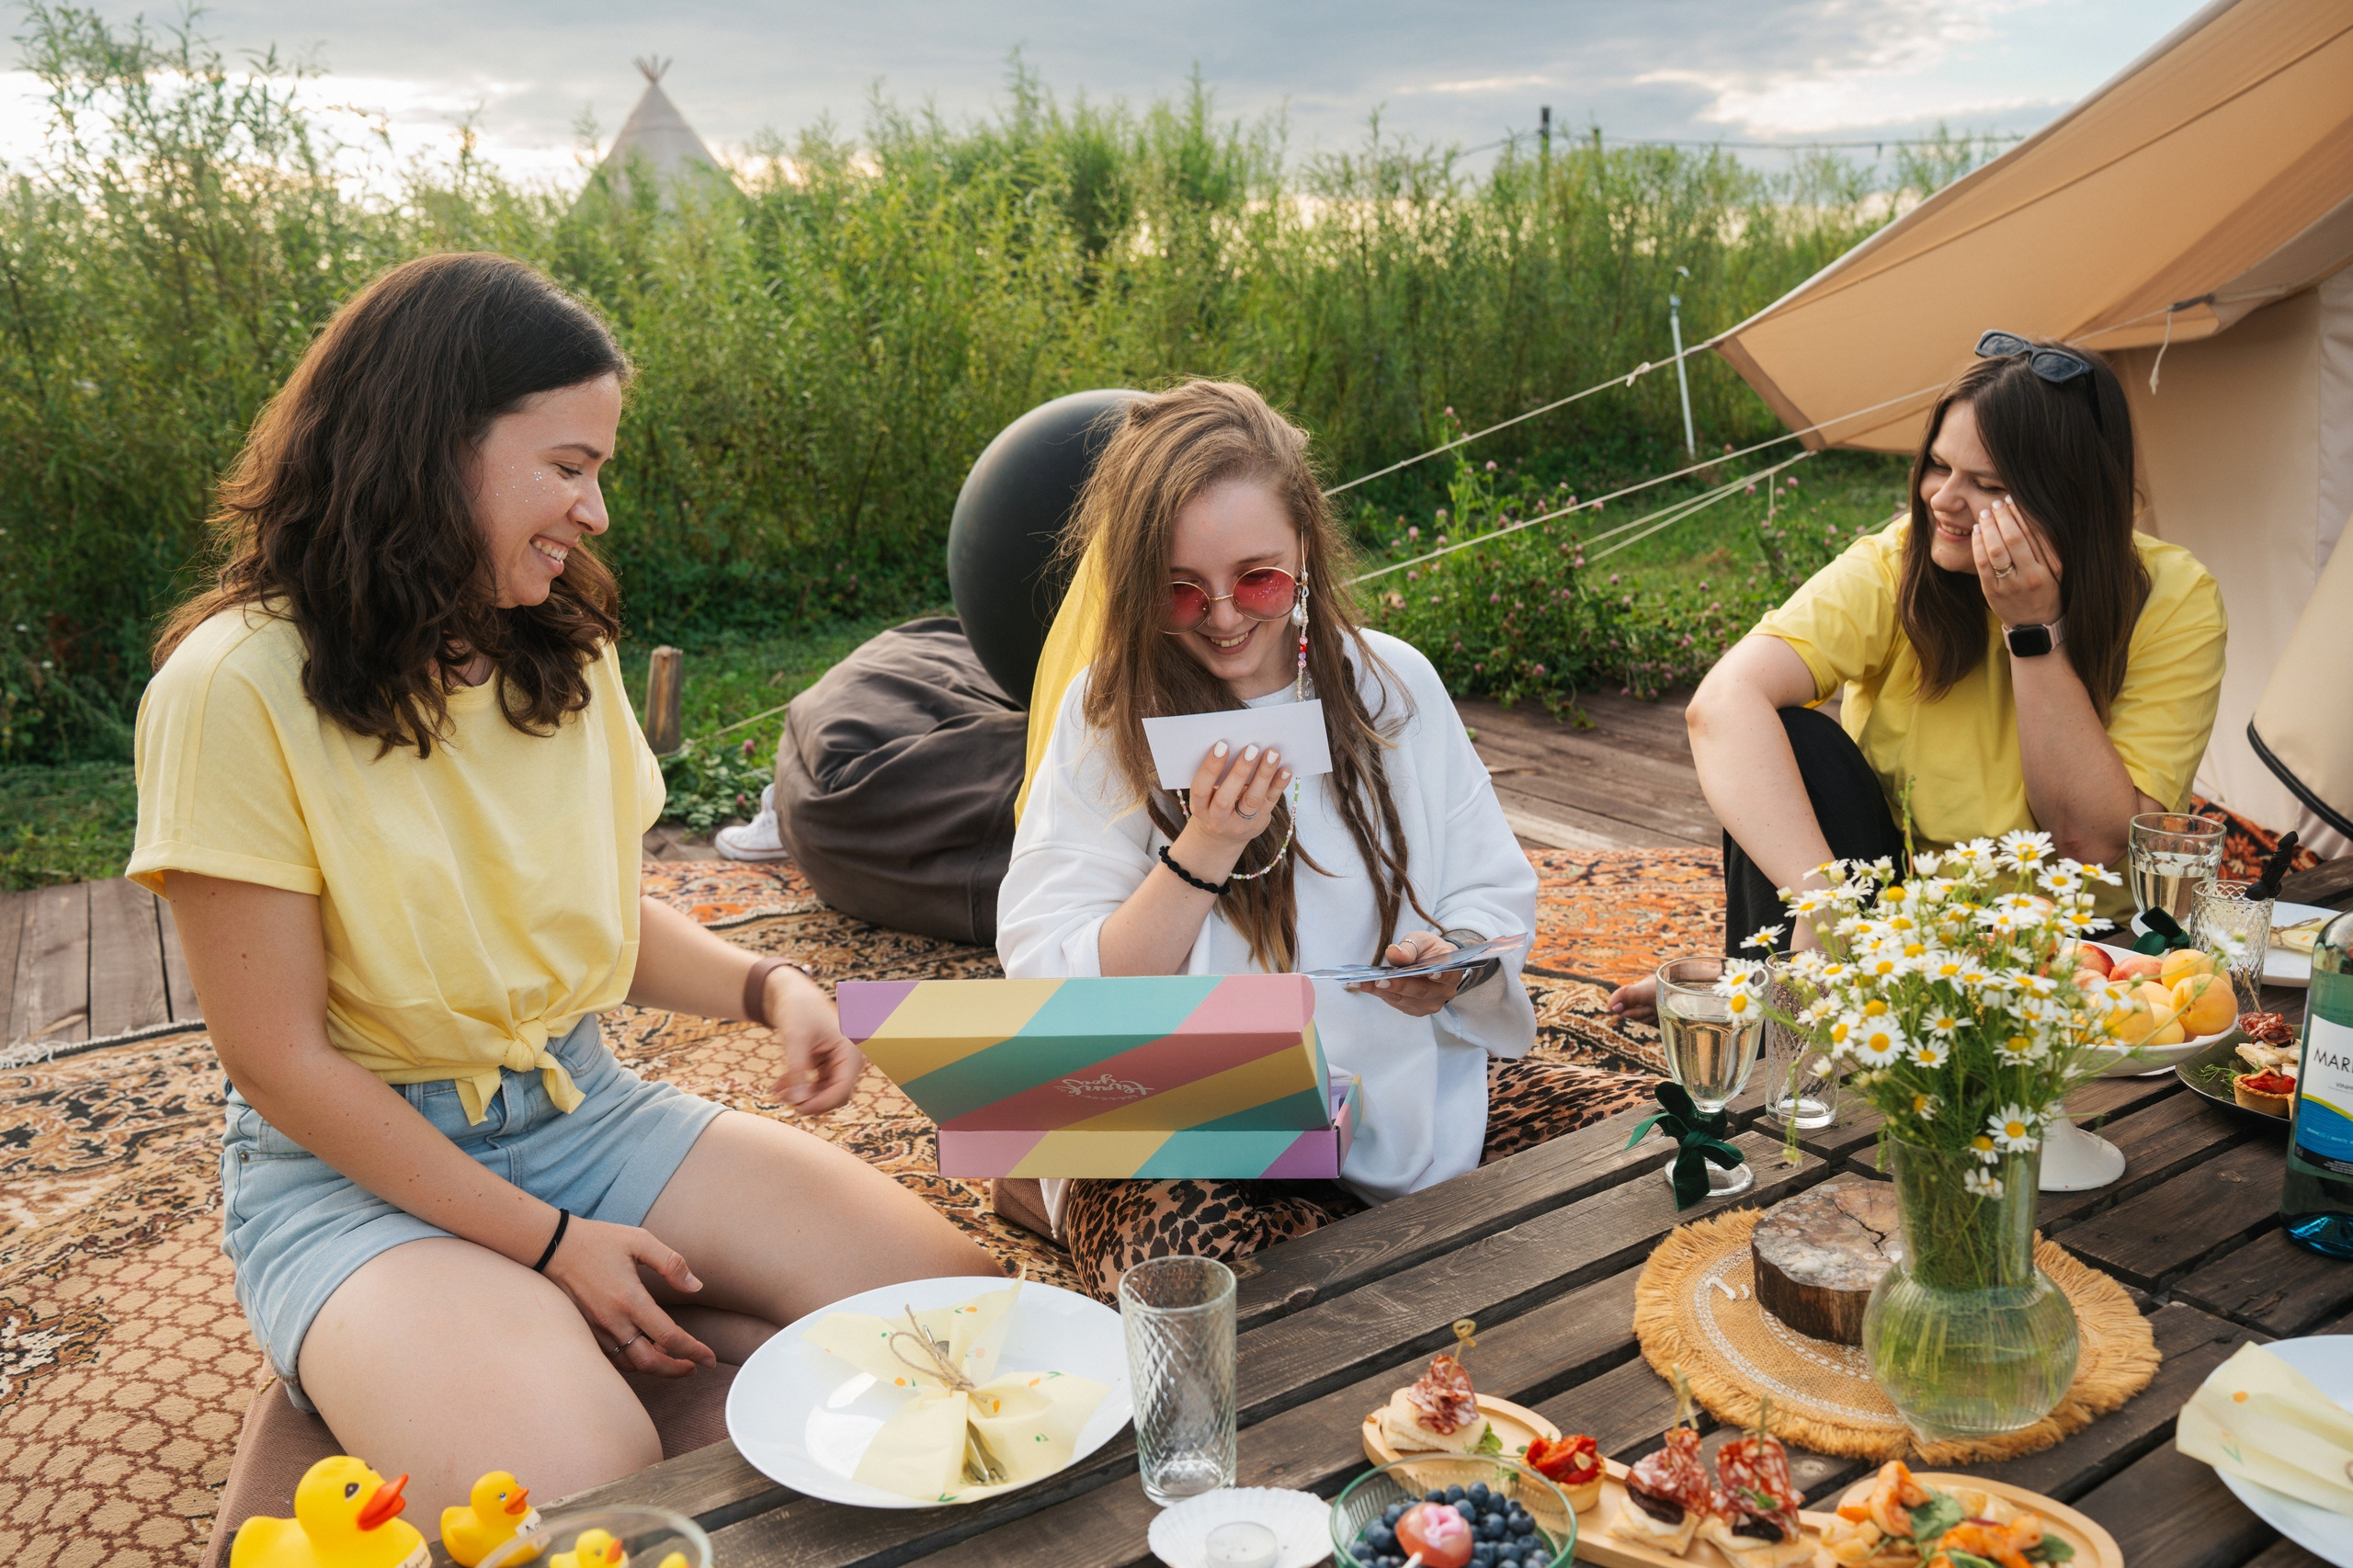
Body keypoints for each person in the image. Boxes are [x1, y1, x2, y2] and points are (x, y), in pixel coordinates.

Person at [130, 253, 999, 1517]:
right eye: (569, 466)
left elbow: (594, 918)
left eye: (601, 470)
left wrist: (770, 986)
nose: (594, 510)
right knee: (581, 1493)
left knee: (966, 1327)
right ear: (430, 450)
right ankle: (396, 1352)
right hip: (357, 1172)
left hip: (581, 1110)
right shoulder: (230, 688)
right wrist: (547, 1244)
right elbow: (277, 1060)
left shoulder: (557, 649)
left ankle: (498, 1346)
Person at [999, 380, 1652, 1301]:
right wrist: (1203, 851)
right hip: (1183, 1123)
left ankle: (1360, 1234)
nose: (1224, 619)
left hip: (1399, 1089)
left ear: (1306, 544)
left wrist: (1454, 965)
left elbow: (1489, 894)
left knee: (1664, 1155)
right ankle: (1336, 1246)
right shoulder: (1104, 713)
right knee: (1195, 1296)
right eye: (1182, 591)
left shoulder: (1391, 685)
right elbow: (1061, 986)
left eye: (1256, 579)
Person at [1611, 332, 2225, 1018]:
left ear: (2071, 499)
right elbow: (1721, 704)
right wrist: (1829, 904)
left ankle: (1768, 1003)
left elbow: (2091, 842)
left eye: (1988, 485)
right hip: (1893, 919)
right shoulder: (1901, 560)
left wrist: (2034, 632)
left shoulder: (2175, 598)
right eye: (1938, 466)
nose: (1943, 499)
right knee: (1792, 739)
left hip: (2075, 941)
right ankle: (1786, 1008)